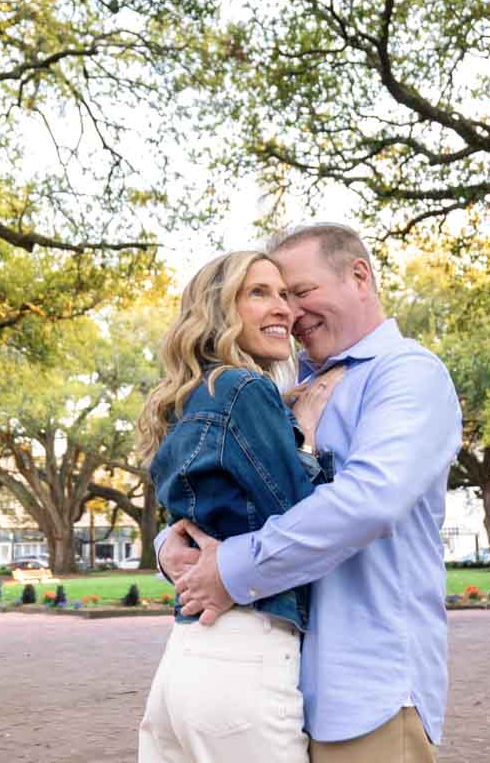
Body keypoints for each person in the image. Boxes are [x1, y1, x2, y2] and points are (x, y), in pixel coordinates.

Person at [163, 223, 463, 762]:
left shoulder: (408, 375)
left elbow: (367, 501)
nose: (291, 313)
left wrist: (230, 568)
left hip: (364, 691)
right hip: (276, 685)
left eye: (299, 293)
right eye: (275, 295)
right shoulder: (281, 383)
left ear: (359, 276)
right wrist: (175, 547)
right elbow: (229, 489)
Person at [135, 250, 342, 763]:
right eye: (258, 294)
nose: (284, 311)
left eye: (285, 295)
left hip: (184, 664)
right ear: (218, 310)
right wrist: (309, 439)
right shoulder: (244, 387)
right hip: (244, 657)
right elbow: (306, 521)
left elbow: (189, 526)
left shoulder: (191, 395)